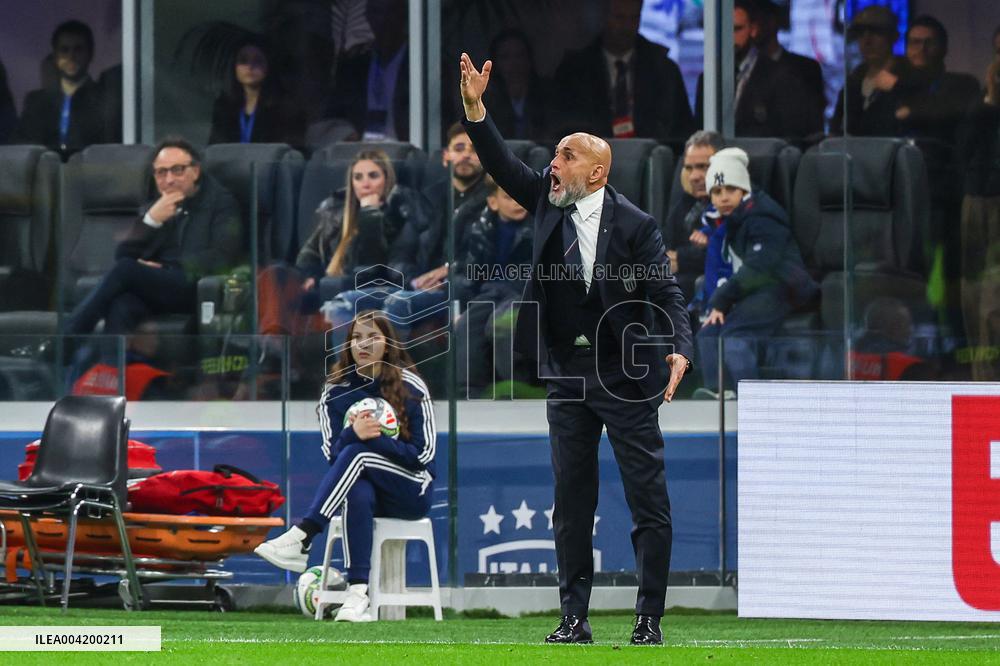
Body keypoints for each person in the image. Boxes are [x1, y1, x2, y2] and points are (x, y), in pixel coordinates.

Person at [459, 53, 693, 646]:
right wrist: (475, 110)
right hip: (566, 374)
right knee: (570, 502)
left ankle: (648, 619)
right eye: (554, 155)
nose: (552, 165)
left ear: (597, 174)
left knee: (648, 501)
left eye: (566, 156)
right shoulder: (545, 198)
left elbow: (667, 292)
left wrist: (680, 349)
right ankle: (574, 619)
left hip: (626, 376)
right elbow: (501, 161)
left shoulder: (637, 226)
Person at [254, 310, 436, 623]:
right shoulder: (336, 391)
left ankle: (304, 534)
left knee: (358, 455)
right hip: (361, 484)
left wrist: (372, 439)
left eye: (373, 336)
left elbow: (424, 454)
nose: (364, 344)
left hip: (410, 488)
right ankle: (357, 595)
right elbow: (332, 456)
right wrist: (354, 433)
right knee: (356, 488)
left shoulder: (411, 385)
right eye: (357, 337)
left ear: (389, 343)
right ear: (348, 345)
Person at [65, 137, 242, 336]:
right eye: (161, 172)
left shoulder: (221, 204)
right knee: (121, 306)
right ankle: (113, 366)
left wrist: (167, 269)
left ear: (195, 171)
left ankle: (67, 338)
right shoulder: (156, 205)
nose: (169, 180)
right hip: (159, 288)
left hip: (196, 286)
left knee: (126, 270)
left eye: (178, 170)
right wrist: (150, 220)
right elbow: (123, 254)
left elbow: (223, 256)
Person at [258, 149, 423, 336]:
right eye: (358, 177)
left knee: (339, 292)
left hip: (362, 289)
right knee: (274, 273)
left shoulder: (398, 215)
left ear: (387, 180)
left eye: (373, 176)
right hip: (327, 286)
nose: (365, 184)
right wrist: (313, 275)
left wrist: (370, 214)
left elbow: (373, 267)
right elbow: (309, 254)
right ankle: (274, 342)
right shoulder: (335, 211)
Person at [695, 148, 816, 396]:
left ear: (744, 189)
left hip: (781, 287)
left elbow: (761, 266)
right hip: (753, 289)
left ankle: (751, 399)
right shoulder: (732, 218)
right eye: (717, 192)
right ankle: (717, 394)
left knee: (734, 335)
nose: (723, 197)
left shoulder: (763, 216)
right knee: (708, 332)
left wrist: (723, 298)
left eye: (730, 189)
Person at [378, 123, 490, 339]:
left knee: (398, 306)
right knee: (348, 302)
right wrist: (415, 281)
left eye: (474, 150)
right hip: (417, 288)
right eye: (459, 149)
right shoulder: (427, 197)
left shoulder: (494, 201)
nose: (466, 155)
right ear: (446, 156)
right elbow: (400, 254)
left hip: (461, 291)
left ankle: (390, 373)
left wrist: (449, 271)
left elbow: (488, 258)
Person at [551, 0, 694, 142]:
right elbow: (562, 129)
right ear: (603, 17)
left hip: (653, 159)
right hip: (589, 160)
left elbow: (682, 133)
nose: (626, 26)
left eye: (634, 18)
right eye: (619, 17)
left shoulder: (665, 71)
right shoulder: (573, 72)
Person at [454, 177, 534, 397]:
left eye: (521, 197)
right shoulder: (480, 229)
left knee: (502, 324)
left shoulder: (539, 225)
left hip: (522, 293)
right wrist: (461, 309)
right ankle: (469, 394)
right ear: (493, 202)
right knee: (467, 325)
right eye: (509, 198)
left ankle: (518, 390)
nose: (518, 203)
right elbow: (469, 275)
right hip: (490, 292)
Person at [695, 0, 818, 140]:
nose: (730, 37)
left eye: (736, 29)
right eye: (724, 30)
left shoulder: (781, 77)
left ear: (753, 30)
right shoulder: (708, 79)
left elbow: (789, 135)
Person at [13, 20, 111, 158]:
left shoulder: (104, 99)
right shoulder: (36, 102)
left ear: (90, 53)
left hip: (89, 174)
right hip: (44, 175)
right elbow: (23, 148)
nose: (71, 56)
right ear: (55, 55)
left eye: (78, 49)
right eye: (64, 50)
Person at [830, 5, 923, 137]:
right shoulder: (854, 80)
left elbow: (922, 118)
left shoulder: (911, 75)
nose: (867, 41)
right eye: (861, 33)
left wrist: (897, 87)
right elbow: (837, 128)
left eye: (876, 32)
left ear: (893, 37)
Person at [326, 0, 410, 140]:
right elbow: (332, 116)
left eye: (389, 13)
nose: (383, 20)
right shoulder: (354, 67)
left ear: (403, 15)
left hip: (408, 156)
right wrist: (347, 135)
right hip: (361, 156)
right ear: (367, 16)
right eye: (377, 13)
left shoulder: (419, 65)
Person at [897, 15, 981, 145]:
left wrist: (910, 111)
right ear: (906, 48)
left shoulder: (963, 84)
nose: (922, 49)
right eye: (915, 42)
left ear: (944, 49)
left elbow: (946, 113)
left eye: (930, 43)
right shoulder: (898, 84)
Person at [208, 37, 305, 148]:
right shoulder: (224, 105)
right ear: (234, 67)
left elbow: (290, 152)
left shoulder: (287, 108)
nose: (250, 66)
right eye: (243, 61)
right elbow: (214, 149)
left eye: (258, 60)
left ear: (269, 65)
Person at [664, 130, 725, 304]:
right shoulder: (687, 201)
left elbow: (727, 252)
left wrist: (682, 259)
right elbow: (666, 242)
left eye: (703, 167)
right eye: (689, 168)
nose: (694, 177)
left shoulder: (732, 202)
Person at [752, 0, 826, 138]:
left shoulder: (806, 69)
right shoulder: (741, 71)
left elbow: (815, 124)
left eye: (761, 20)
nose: (755, 29)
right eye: (753, 21)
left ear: (774, 21)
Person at [482, 29, 550, 142]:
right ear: (496, 63)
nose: (514, 63)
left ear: (529, 59)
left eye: (519, 55)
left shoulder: (548, 94)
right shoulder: (487, 101)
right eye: (505, 57)